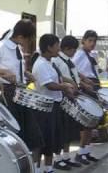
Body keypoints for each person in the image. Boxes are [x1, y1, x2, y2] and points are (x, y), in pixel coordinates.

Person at [0, 19, 43, 171]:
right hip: (8, 94)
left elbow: (16, 70)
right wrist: (3, 76)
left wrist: (26, 73)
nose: (29, 43)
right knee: (14, 139)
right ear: (20, 37)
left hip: (22, 93)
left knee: (33, 136)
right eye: (28, 40)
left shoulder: (17, 49)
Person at [32, 34, 75, 173]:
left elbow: (60, 78)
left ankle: (49, 168)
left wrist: (71, 83)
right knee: (42, 140)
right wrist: (64, 87)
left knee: (51, 140)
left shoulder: (51, 62)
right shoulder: (40, 64)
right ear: (49, 47)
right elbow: (49, 85)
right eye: (57, 45)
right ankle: (37, 169)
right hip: (44, 108)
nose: (59, 48)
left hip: (54, 106)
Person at [51, 35, 94, 170]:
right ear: (66, 48)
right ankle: (57, 159)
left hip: (72, 96)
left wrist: (83, 83)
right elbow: (58, 78)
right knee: (61, 130)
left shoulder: (69, 61)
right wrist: (68, 85)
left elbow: (74, 75)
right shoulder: (56, 61)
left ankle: (66, 157)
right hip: (62, 97)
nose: (75, 52)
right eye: (73, 50)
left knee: (69, 131)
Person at [72, 30, 100, 164]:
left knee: (92, 124)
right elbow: (73, 70)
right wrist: (83, 83)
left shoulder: (90, 55)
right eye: (90, 41)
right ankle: (80, 153)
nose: (92, 43)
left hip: (93, 86)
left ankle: (86, 152)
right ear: (83, 40)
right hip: (86, 87)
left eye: (94, 41)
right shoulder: (79, 54)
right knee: (86, 123)